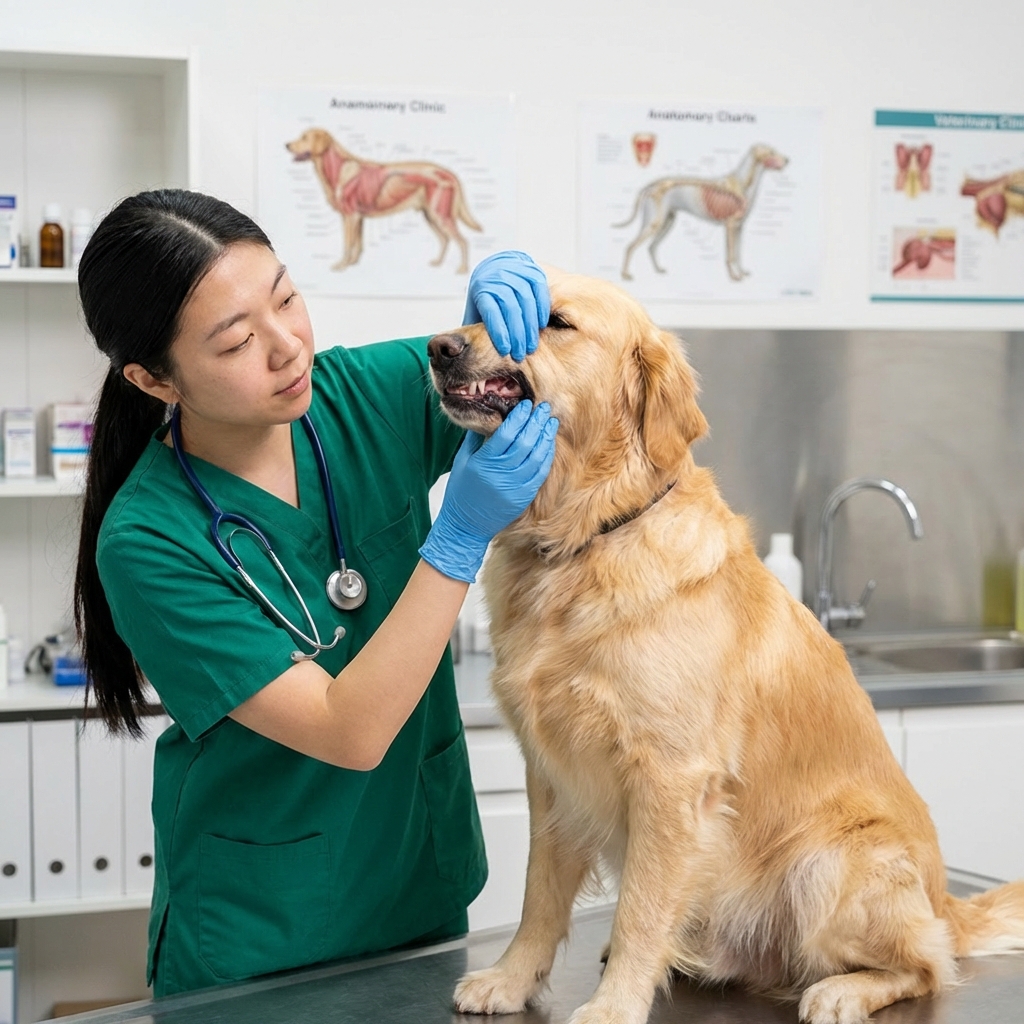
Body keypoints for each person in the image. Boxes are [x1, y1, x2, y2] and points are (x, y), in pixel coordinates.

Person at [73, 189, 557, 997]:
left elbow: (549, 391)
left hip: (418, 891)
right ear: (154, 379)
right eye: (234, 343)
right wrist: (459, 537)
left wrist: (511, 325)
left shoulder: (359, 395)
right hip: (264, 937)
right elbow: (350, 729)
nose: (286, 347)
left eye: (287, 299)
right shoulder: (149, 541)